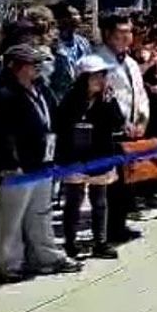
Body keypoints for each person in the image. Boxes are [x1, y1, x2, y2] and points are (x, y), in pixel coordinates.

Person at [0, 44, 83, 283]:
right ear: (15, 67)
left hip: (43, 162)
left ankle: (45, 256)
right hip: (19, 167)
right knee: (11, 219)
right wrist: (10, 160)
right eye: (31, 64)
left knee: (41, 213)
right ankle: (9, 264)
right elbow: (2, 132)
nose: (37, 68)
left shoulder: (42, 89)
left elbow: (54, 121)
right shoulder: (4, 94)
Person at [55, 54, 125, 260]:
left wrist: (109, 102)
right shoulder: (70, 99)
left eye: (102, 75)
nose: (100, 80)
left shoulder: (107, 99)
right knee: (73, 200)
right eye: (95, 76)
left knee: (99, 201)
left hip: (99, 155)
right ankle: (70, 242)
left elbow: (118, 123)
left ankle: (100, 242)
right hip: (74, 156)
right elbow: (60, 124)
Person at [94, 13, 150, 243]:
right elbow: (101, 99)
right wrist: (121, 123)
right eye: (122, 32)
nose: (128, 37)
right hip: (109, 132)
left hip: (133, 131)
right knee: (110, 186)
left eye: (129, 32)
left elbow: (140, 94)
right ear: (108, 34)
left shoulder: (131, 63)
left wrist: (142, 120)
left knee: (127, 183)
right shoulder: (97, 61)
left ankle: (120, 225)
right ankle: (106, 232)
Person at [49, 5, 94, 100]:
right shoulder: (53, 45)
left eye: (78, 14)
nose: (78, 17)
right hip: (59, 97)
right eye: (73, 14)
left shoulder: (83, 42)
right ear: (62, 19)